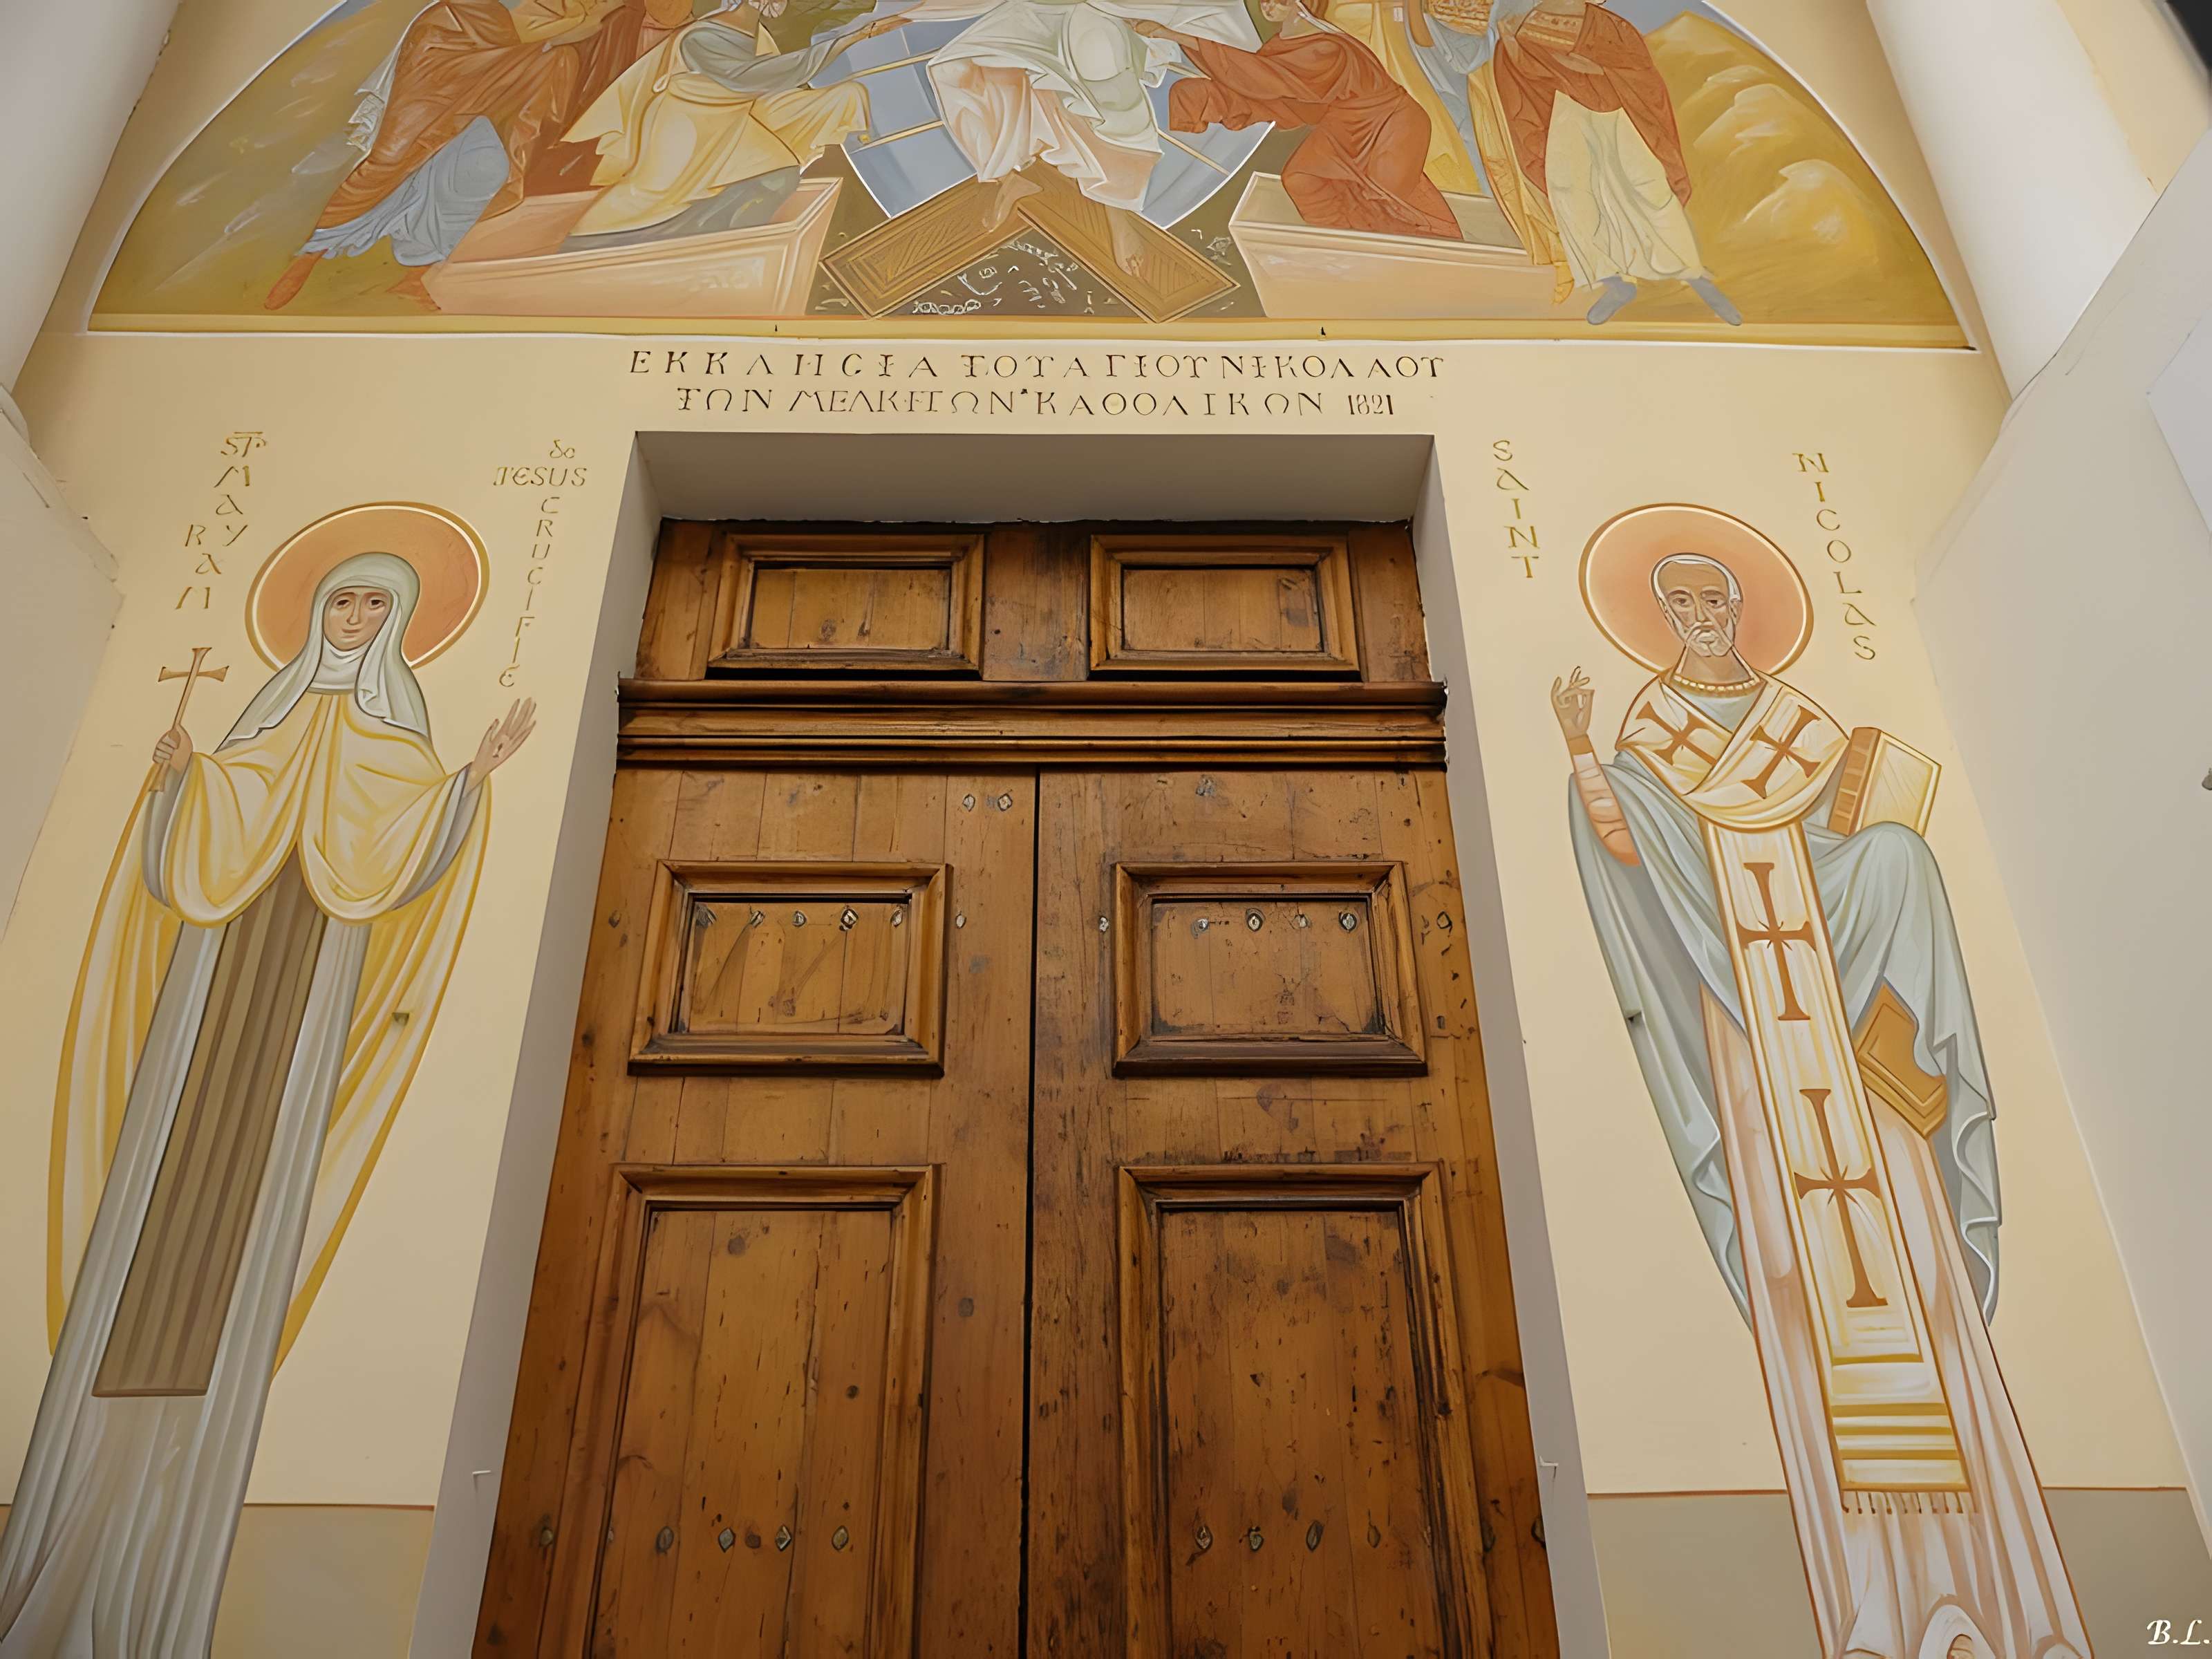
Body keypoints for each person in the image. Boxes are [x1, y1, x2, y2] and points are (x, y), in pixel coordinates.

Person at [1554, 551, 2090, 1659]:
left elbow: (1866, 850)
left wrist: (1884, 867)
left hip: (1856, 1057)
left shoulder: (1804, 725)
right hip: (1756, 1043)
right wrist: (1579, 753)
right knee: (1802, 1272)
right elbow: (1633, 855)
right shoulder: (1652, 738)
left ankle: (1995, 1588)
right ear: (1656, 618)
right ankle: (1874, 1603)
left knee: (1910, 1261)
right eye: (1681, 605)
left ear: (1744, 608)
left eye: (1715, 600)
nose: (1701, 619)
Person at [0, 556, 532, 1654]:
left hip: (306, 997)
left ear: (399, 626)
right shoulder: (263, 723)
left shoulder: (397, 742)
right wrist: (182, 774)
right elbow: (206, 835)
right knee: (155, 1191)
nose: (353, 615)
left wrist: (469, 778)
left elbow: (397, 843)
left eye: (377, 604)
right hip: (212, 993)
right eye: (344, 597)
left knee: (250, 1194)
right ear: (315, 609)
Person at [263, 0, 662, 310]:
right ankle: (311, 254)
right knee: (392, 158)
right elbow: (530, 22)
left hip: (517, 70)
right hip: (452, 44)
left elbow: (579, 31)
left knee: (484, 169)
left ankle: (421, 271)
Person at [903, 0, 1262, 275]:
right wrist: (903, 15)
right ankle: (1010, 176)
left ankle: (1117, 211)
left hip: (1097, 13)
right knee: (959, 67)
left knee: (1104, 86)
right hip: (1031, 14)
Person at [559, 0, 908, 248]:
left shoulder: (758, 36)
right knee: (650, 198)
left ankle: (711, 243)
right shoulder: (701, 36)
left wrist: (835, 98)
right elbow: (750, 78)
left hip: (730, 124)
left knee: (777, 176)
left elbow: (768, 91)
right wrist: (849, 39)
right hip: (686, 126)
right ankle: (588, 242)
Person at [1491, 0, 1739, 325]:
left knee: (1648, 186)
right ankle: (1612, 281)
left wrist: (1581, 61)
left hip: (1619, 111)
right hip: (1563, 110)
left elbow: (1635, 70)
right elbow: (1520, 69)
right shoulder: (1524, 20)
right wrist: (1514, 45)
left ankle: (1692, 274)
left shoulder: (1609, 27)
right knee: (1572, 192)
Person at [1138, 0, 1459, 240]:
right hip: (1346, 125)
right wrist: (1206, 99)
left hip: (1390, 125)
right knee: (1302, 178)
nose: (1267, 4)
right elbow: (1272, 99)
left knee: (1387, 200)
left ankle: (1407, 254)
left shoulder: (1326, 47)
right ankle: (1344, 244)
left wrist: (1177, 36)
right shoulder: (1283, 46)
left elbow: (1261, 79)